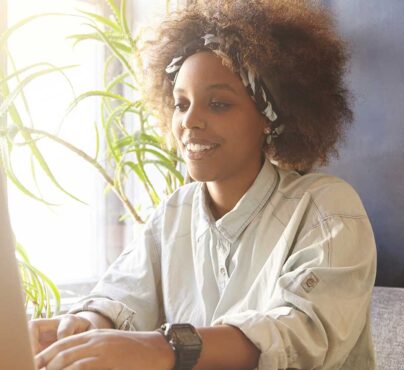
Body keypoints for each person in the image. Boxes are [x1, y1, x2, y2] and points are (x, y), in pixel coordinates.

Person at [29, 0, 377, 369]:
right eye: (181, 104)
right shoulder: (174, 213)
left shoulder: (326, 210)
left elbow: (297, 337)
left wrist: (160, 348)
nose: (190, 121)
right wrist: (85, 327)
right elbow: (124, 294)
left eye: (218, 104)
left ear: (270, 118)